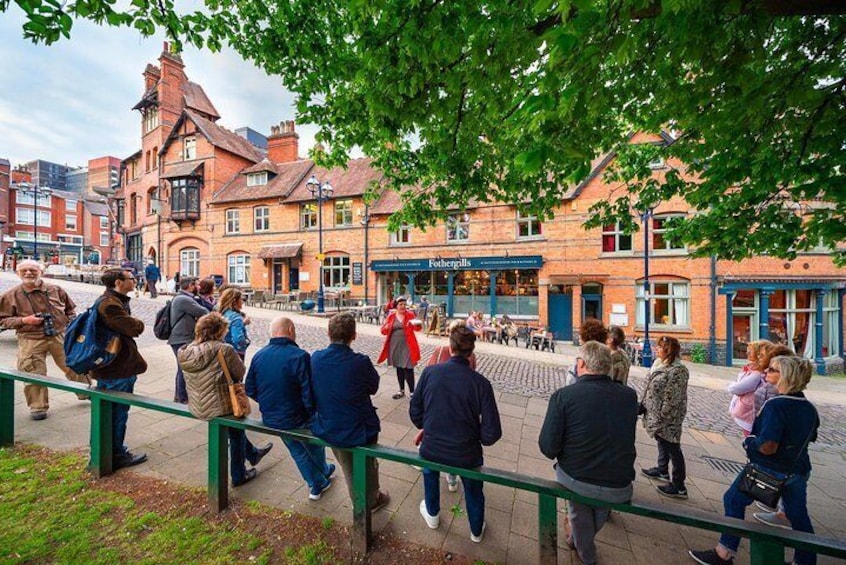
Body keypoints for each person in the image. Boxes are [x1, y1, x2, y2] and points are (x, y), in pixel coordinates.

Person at [689, 356, 819, 565]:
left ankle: (724, 553)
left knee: (733, 499)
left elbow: (769, 446)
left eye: (772, 369)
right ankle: (805, 561)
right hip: (798, 470)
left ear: (785, 375)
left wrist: (750, 442)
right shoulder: (808, 407)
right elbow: (810, 436)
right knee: (798, 516)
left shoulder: (776, 405)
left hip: (769, 469)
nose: (766, 371)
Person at [539, 341, 638, 565]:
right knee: (595, 507)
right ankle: (576, 535)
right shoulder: (629, 396)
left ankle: (587, 555)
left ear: (580, 364)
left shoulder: (564, 396)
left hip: (577, 477)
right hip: (620, 483)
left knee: (580, 508)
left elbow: (547, 447)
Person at [410, 323, 502, 543]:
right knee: (473, 487)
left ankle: (432, 513)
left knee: (429, 470)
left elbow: (415, 411)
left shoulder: (431, 372)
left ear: (450, 348)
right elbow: (492, 433)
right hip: (466, 452)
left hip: (432, 447)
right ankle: (476, 529)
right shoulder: (481, 384)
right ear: (471, 352)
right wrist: (471, 434)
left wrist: (429, 427)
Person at [245, 316, 335, 500]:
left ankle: (318, 478)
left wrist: (268, 403)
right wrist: (312, 413)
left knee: (297, 450)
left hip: (272, 416)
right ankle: (318, 480)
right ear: (291, 330)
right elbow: (308, 392)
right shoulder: (299, 356)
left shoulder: (259, 355)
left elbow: (250, 388)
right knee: (314, 445)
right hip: (297, 416)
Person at [178, 312, 272, 487]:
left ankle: (252, 454)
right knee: (236, 434)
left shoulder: (184, 351)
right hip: (221, 404)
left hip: (198, 404)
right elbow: (239, 372)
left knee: (234, 431)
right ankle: (239, 475)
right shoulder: (224, 349)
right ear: (218, 331)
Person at [311, 313, 390, 512]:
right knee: (365, 465)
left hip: (328, 424)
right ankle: (368, 502)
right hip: (358, 427)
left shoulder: (316, 358)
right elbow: (373, 386)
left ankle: (366, 498)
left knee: (348, 463)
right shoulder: (360, 362)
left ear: (329, 333)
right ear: (353, 336)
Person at [0, 259, 90, 420]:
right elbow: (2, 320)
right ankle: (38, 407)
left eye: (33, 270)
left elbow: (70, 310)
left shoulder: (55, 289)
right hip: (30, 339)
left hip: (59, 335)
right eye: (24, 270)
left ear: (40, 271)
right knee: (32, 372)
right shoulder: (10, 296)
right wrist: (24, 321)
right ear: (17, 274)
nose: (29, 273)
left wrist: (70, 326)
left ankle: (86, 392)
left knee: (75, 364)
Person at [90, 268, 148, 469]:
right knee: (117, 412)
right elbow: (134, 327)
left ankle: (105, 452)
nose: (135, 281)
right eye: (131, 279)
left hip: (112, 366)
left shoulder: (114, 300)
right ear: (118, 282)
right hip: (116, 368)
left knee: (112, 410)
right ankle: (115, 454)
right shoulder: (110, 305)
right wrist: (138, 324)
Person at [640, 336, 690, 498]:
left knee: (673, 447)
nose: (657, 349)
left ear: (668, 350)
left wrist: (662, 415)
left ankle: (679, 485)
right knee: (662, 441)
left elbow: (673, 397)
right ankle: (662, 470)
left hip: (668, 418)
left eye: (660, 347)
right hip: (656, 414)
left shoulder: (678, 370)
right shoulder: (660, 364)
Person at [167, 277, 209, 403]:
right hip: (181, 338)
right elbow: (204, 311)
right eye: (197, 284)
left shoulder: (185, 298)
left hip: (182, 337)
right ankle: (181, 397)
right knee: (184, 368)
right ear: (191, 286)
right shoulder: (183, 299)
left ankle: (180, 396)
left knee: (184, 367)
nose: (199, 287)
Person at [378, 296, 421, 400]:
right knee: (399, 368)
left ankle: (412, 392)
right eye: (400, 304)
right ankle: (401, 390)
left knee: (409, 368)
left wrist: (417, 324)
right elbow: (383, 331)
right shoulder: (391, 316)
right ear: (396, 306)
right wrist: (389, 327)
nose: (403, 306)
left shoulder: (410, 314)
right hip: (395, 345)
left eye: (404, 304)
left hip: (408, 345)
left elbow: (418, 328)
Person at [726, 340, 772, 436]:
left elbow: (738, 388)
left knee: (749, 436)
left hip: (748, 413)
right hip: (747, 410)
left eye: (750, 351)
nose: (747, 353)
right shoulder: (753, 370)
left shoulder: (757, 374)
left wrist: (731, 385)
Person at [218, 288, 249, 360]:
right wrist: (246, 342)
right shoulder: (236, 318)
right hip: (235, 353)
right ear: (235, 301)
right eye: (241, 299)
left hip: (222, 350)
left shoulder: (222, 313)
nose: (242, 302)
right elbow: (238, 339)